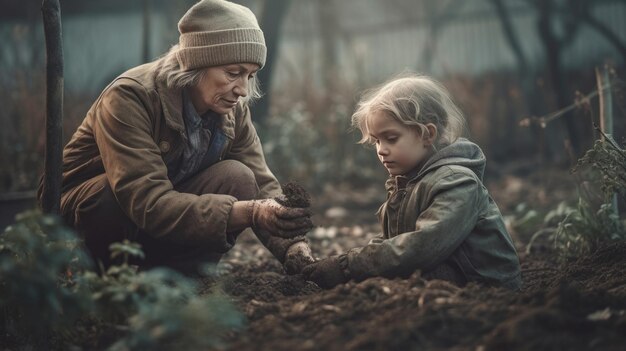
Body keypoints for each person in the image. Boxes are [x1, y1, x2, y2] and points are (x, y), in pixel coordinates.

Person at [39, 0, 314, 274]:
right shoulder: (130, 97)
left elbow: (262, 182)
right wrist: (251, 212)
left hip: (160, 212)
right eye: (233, 73)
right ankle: (99, 279)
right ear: (198, 62)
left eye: (250, 76)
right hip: (89, 213)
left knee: (239, 177)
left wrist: (293, 246)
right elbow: (147, 200)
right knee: (110, 196)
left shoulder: (230, 108)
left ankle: (178, 278)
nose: (243, 89)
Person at [303, 74, 522, 290]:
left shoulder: (457, 182)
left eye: (391, 138)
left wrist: (346, 267)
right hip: (445, 270)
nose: (381, 150)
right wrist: (344, 264)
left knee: (391, 286)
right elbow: (395, 241)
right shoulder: (407, 182)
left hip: (484, 284)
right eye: (376, 141)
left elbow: (421, 247)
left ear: (427, 134)